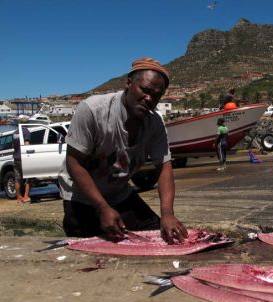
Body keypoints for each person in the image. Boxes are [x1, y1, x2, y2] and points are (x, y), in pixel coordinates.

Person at [58, 57, 188, 244]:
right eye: (145, 90)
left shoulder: (155, 123)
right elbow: (74, 162)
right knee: (91, 253)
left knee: (161, 239)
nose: (149, 99)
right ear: (128, 83)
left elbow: (164, 166)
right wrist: (102, 208)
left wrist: (168, 213)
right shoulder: (92, 110)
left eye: (157, 95)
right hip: (81, 198)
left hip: (120, 194)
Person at [12, 119, 31, 203]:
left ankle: (19, 197)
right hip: (23, 157)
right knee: (28, 178)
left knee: (17, 179)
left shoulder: (15, 133)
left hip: (16, 157)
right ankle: (26, 196)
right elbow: (27, 144)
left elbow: (13, 145)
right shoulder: (26, 131)